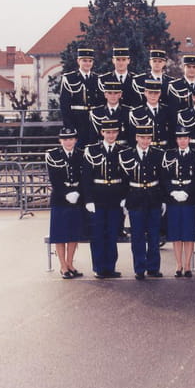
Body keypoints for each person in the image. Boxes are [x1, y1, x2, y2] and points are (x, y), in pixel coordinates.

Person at [81, 119, 128, 279]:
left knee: (112, 234)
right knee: (98, 235)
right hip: (98, 198)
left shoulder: (123, 151)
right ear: (102, 133)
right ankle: (99, 268)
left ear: (117, 133)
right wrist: (88, 200)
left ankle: (110, 267)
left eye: (114, 132)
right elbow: (86, 177)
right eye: (108, 132)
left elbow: (126, 177)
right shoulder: (92, 151)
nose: (111, 135)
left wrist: (125, 197)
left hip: (115, 198)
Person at [119, 125, 165, 280]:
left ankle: (153, 267)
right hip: (135, 198)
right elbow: (123, 179)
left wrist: (163, 200)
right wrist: (124, 199)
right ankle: (139, 268)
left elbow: (162, 178)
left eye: (148, 138)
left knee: (154, 235)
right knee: (137, 236)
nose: (145, 141)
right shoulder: (126, 155)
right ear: (136, 138)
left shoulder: (158, 154)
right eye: (142, 138)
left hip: (154, 197)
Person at [46, 127, 84, 279]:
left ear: (76, 140)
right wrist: (66, 193)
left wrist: (78, 192)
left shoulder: (82, 154)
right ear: (60, 140)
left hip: (77, 198)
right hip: (60, 199)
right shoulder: (52, 155)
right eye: (65, 139)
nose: (68, 142)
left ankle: (70, 264)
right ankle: (62, 266)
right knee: (60, 234)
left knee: (74, 234)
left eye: (71, 139)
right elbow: (54, 179)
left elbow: (85, 177)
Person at [162, 127, 195, 278]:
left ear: (189, 139)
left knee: (188, 234)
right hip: (174, 199)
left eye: (185, 138)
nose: (182, 141)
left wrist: (187, 192)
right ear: (176, 140)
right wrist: (172, 192)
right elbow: (164, 177)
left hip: (189, 198)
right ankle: (179, 265)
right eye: (180, 138)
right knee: (176, 234)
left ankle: (188, 265)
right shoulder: (169, 155)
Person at [59, 47, 102, 146]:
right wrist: (69, 126)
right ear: (78, 61)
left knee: (93, 149)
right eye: (84, 61)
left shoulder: (98, 79)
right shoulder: (70, 78)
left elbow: (101, 103)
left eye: (90, 61)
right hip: (77, 121)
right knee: (78, 150)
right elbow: (64, 105)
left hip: (94, 122)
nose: (87, 63)